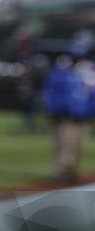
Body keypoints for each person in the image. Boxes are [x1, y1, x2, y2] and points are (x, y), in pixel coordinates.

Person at [44, 54, 86, 183]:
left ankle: (70, 171)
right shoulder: (60, 76)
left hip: (79, 116)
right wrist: (54, 111)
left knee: (76, 145)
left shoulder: (80, 76)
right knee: (64, 144)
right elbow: (52, 95)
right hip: (64, 116)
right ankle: (61, 172)